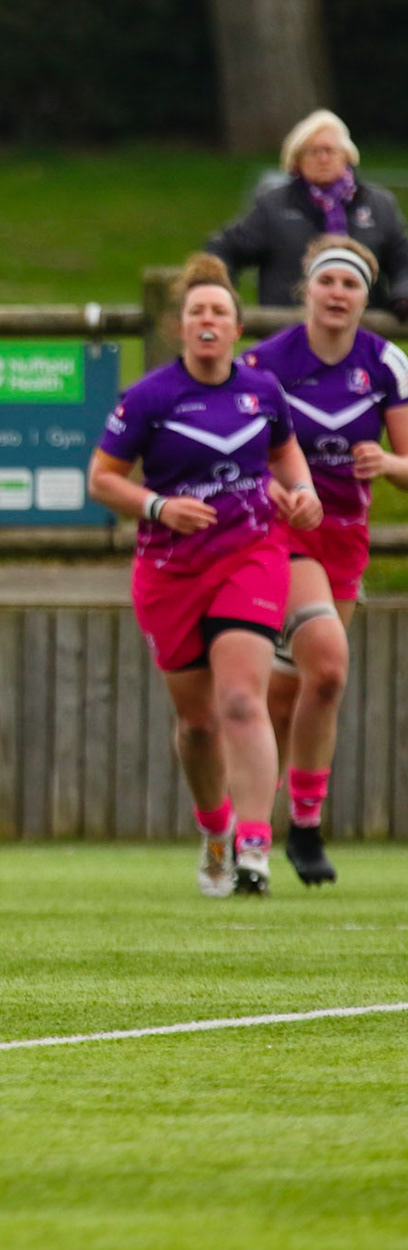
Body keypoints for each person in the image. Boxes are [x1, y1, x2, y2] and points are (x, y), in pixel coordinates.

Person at [88, 253, 319, 899]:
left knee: (242, 698)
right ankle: (215, 828)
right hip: (169, 571)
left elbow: (284, 451)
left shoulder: (261, 390)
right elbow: (102, 478)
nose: (208, 321)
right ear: (180, 327)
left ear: (236, 328)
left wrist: (302, 492)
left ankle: (253, 847)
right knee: (196, 725)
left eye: (220, 311)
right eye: (197, 313)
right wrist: (158, 506)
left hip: (251, 555)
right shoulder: (149, 397)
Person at [240, 236, 408, 886]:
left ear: (366, 297)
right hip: (281, 533)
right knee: (331, 667)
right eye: (328, 282)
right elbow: (234, 455)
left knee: (295, 690)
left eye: (352, 285)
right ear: (305, 289)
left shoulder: (387, 363)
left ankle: (257, 823)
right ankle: (304, 830)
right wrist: (281, 489)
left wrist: (389, 464)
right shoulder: (266, 363)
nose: (338, 294)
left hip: (345, 539)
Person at [207, 110, 408, 316]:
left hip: (363, 331)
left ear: (347, 156)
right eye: (313, 152)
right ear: (296, 160)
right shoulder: (273, 206)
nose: (323, 159)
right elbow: (224, 250)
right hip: (288, 330)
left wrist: (403, 294)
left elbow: (402, 260)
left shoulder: (378, 205)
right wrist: (218, 291)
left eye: (330, 150)